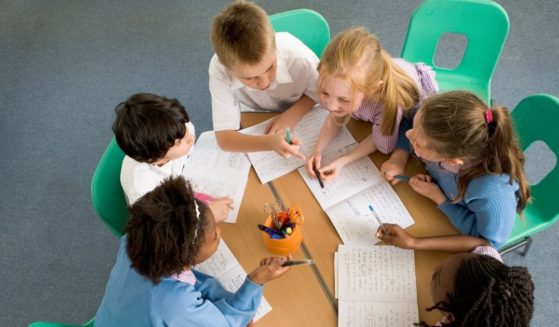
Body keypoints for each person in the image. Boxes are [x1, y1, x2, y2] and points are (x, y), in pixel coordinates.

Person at [95, 176, 291, 326]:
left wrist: (218, 297)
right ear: (186, 258)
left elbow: (190, 282)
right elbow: (227, 324)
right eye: (215, 235)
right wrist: (255, 281)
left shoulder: (134, 241)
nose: (219, 231)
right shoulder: (174, 303)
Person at [380, 91, 530, 249]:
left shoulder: (491, 191)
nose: (408, 134)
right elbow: (411, 119)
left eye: (417, 142)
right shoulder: (432, 122)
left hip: (458, 223)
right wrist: (399, 157)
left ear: (453, 160)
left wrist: (440, 200)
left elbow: (488, 243)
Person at [305, 27, 438, 181]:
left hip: (412, 110)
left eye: (343, 99)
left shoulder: (388, 104)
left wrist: (343, 160)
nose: (330, 106)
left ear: (373, 88)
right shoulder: (342, 84)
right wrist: (316, 151)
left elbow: (380, 142)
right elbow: (335, 117)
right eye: (324, 92)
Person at [209, 0, 320, 159]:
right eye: (250, 77)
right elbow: (224, 139)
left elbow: (320, 92)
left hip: (303, 111)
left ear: (275, 44)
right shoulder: (220, 70)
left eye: (270, 67)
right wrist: (268, 143)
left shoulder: (300, 58)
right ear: (225, 65)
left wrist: (292, 115)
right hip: (253, 114)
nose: (265, 82)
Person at [377, 229, 534, 327]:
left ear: (450, 318)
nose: (436, 267)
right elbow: (482, 244)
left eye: (436, 277)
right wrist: (414, 242)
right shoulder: (494, 279)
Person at [113, 92, 232, 222]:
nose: (190, 138)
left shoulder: (176, 130)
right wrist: (208, 216)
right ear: (156, 158)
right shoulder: (144, 188)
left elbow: (187, 131)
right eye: (178, 142)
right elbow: (166, 225)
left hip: (184, 186)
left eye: (184, 125)